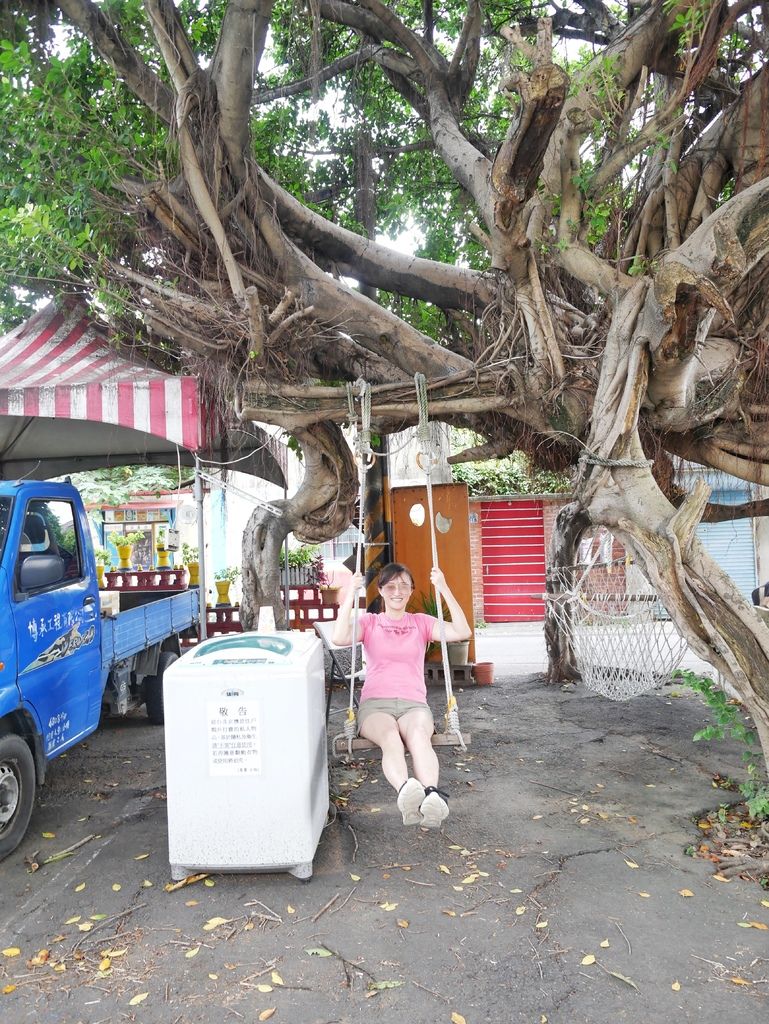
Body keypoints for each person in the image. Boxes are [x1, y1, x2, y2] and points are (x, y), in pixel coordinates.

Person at [332, 562, 471, 829]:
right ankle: (407, 790)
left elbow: (462, 631)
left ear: (411, 591)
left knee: (420, 737)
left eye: (404, 586)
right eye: (391, 586)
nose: (398, 591)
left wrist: (444, 589)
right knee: (389, 738)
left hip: (414, 704)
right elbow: (339, 637)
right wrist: (351, 593)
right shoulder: (370, 623)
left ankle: (431, 795)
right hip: (375, 705)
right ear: (381, 591)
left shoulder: (421, 623)